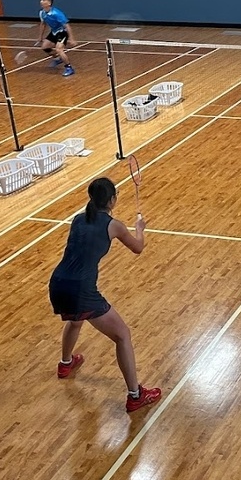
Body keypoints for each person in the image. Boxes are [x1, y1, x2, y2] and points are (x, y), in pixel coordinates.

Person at [49, 176, 161, 412]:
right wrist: (140, 229)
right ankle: (135, 395)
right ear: (112, 200)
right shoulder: (114, 225)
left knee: (75, 320)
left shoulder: (78, 219)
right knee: (122, 335)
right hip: (82, 290)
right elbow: (138, 247)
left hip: (58, 284)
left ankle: (65, 364)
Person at [33, 0, 77, 77]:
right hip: (54, 32)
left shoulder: (57, 13)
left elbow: (67, 25)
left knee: (59, 49)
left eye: (43, 0)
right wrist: (40, 37)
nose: (41, 1)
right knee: (44, 47)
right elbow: (43, 24)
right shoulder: (42, 13)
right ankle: (57, 58)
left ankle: (69, 68)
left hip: (62, 32)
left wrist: (71, 38)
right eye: (41, 0)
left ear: (49, 3)